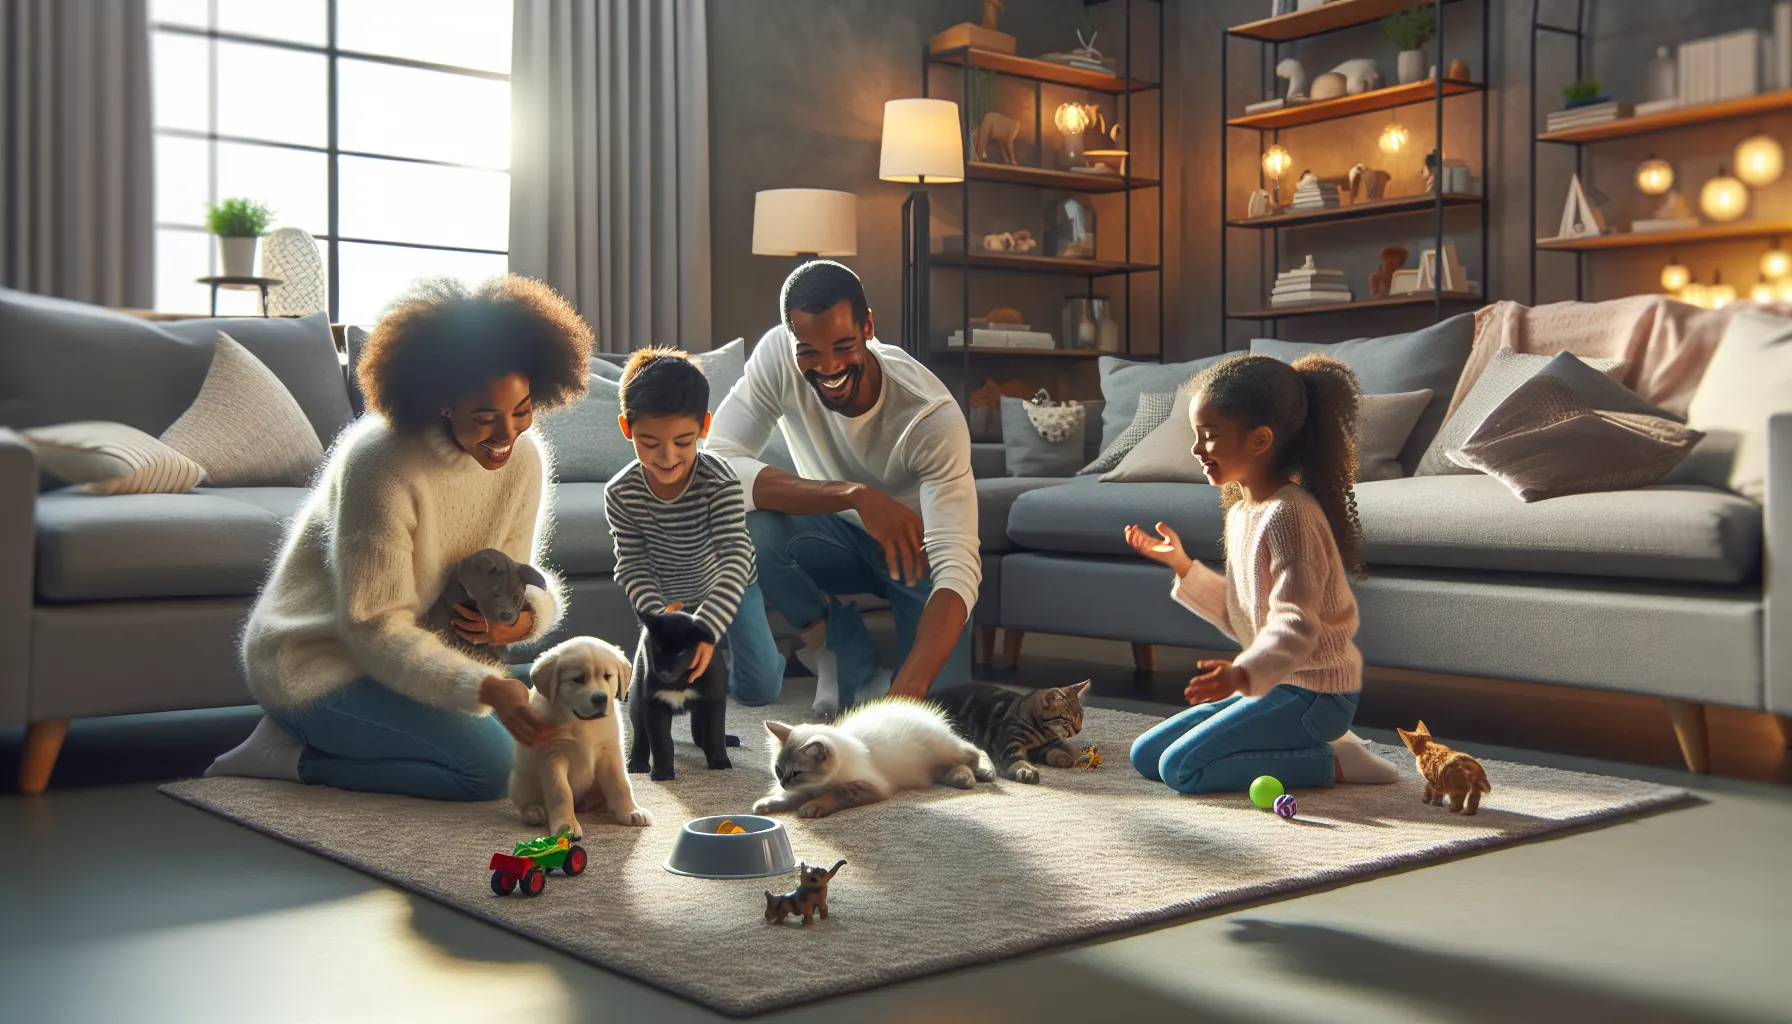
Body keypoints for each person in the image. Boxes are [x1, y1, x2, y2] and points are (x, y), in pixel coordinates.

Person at [205, 275, 594, 800]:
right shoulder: (381, 463)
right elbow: (373, 626)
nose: (507, 436)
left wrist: (526, 619)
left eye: (521, 412)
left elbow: (514, 573)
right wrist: (482, 687)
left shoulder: (523, 459)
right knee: (492, 771)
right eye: (486, 417)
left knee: (555, 747)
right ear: (442, 403)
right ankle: (290, 756)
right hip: (318, 664)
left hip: (411, 659)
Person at [706, 261, 978, 715]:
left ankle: (883, 682)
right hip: (832, 538)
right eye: (808, 351)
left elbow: (958, 569)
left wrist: (904, 699)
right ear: (790, 336)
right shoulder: (778, 355)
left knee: (938, 713)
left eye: (843, 346)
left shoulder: (931, 417)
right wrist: (854, 496)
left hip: (919, 559)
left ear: (868, 326)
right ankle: (831, 644)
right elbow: (714, 467)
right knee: (745, 527)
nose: (828, 368)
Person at [1124, 354, 1400, 794]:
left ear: (1259, 441)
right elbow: (1246, 613)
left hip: (1315, 695)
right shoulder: (1243, 513)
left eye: (1209, 436)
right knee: (1146, 756)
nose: (1196, 449)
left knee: (1181, 769)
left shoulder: (1290, 516)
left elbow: (1296, 625)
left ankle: (1336, 761)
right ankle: (1309, 747)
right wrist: (1182, 566)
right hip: (1273, 683)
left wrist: (1242, 674)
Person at [603, 347, 775, 699]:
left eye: (683, 442)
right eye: (649, 443)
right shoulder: (620, 493)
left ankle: (750, 665)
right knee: (659, 687)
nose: (667, 457)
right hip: (671, 599)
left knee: (759, 690)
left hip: (731, 587)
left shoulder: (720, 480)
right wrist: (660, 616)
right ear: (627, 428)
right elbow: (633, 565)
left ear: (704, 427)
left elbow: (736, 560)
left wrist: (706, 630)